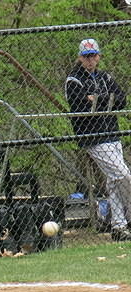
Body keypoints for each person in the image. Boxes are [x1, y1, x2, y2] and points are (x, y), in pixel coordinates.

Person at [65, 38, 131, 241]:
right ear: (80, 58)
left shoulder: (105, 77)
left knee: (114, 181)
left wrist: (97, 99)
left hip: (112, 132)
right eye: (86, 56)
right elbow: (81, 108)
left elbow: (121, 99)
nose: (90, 60)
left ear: (99, 56)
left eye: (93, 55)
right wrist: (105, 100)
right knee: (123, 174)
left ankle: (119, 227)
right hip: (93, 137)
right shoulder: (74, 80)